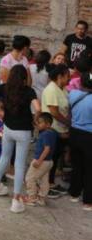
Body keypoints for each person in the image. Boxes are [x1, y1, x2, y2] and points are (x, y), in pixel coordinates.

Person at [0, 65, 41, 214]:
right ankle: (16, 200)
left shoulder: (5, 88)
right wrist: (35, 120)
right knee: (19, 164)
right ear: (24, 77)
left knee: (4, 156)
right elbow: (38, 108)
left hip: (8, 128)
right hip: (23, 132)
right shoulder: (29, 91)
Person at [41, 64, 71, 197]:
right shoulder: (51, 90)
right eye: (67, 76)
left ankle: (51, 183)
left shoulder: (62, 88)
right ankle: (46, 185)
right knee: (49, 159)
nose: (69, 78)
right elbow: (54, 112)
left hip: (61, 129)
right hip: (53, 130)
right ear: (60, 76)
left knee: (55, 157)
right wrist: (69, 123)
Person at [68, 67, 92, 211]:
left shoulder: (73, 94)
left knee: (77, 165)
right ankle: (88, 201)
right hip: (89, 136)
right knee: (90, 168)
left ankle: (74, 193)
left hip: (74, 133)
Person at [25, 112, 58, 207]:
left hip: (42, 161)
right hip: (49, 161)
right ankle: (42, 198)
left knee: (29, 178)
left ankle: (32, 198)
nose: (37, 124)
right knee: (44, 180)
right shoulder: (52, 133)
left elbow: (47, 149)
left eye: (40, 122)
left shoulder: (45, 134)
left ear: (47, 124)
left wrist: (39, 161)